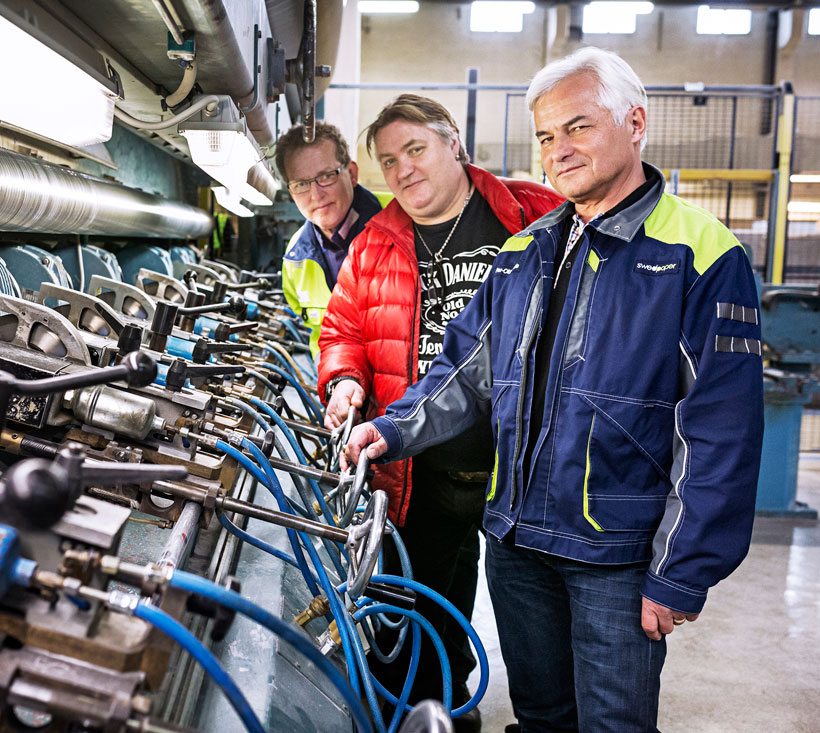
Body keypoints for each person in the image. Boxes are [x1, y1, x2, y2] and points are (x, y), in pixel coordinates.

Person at [343, 48, 763, 732]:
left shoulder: (704, 255)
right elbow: (462, 370)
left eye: (578, 127)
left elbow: (721, 434)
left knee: (612, 724)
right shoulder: (525, 251)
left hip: (615, 557)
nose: (558, 150)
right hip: (516, 543)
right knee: (540, 717)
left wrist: (681, 570)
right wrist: (389, 429)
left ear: (635, 123)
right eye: (545, 136)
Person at [317, 94, 561, 727]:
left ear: (454, 142)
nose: (404, 171)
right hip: (421, 472)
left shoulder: (534, 212)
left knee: (541, 623)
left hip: (527, 471)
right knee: (421, 611)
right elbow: (342, 328)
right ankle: (443, 712)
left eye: (416, 150)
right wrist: (344, 380)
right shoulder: (374, 244)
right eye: (390, 161)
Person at [277, 121, 385, 360]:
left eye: (326, 176)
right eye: (302, 184)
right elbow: (319, 335)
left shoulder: (402, 222)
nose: (316, 195)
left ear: (352, 173)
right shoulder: (295, 258)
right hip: (339, 387)